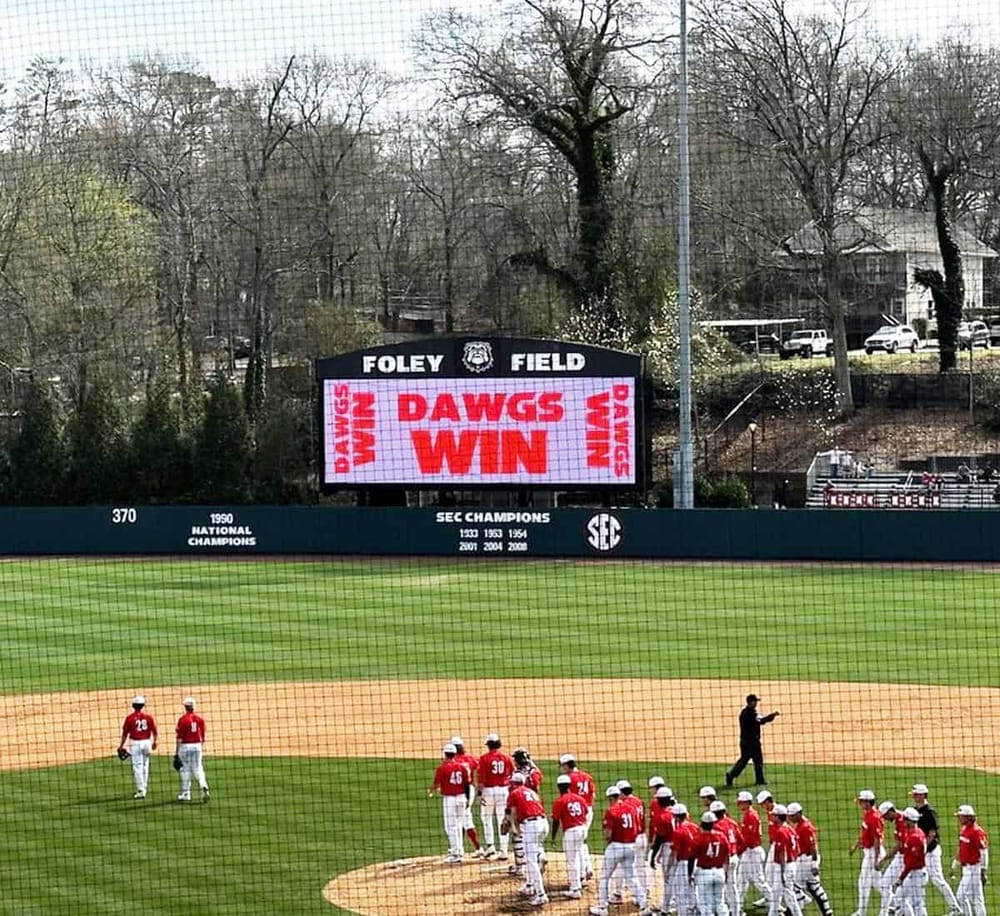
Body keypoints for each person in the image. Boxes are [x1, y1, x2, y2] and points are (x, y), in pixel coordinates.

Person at [589, 785, 653, 916]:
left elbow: (608, 834)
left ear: (611, 797)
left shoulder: (611, 810)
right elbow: (637, 828)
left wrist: (610, 844)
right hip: (630, 846)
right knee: (631, 877)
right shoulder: (632, 809)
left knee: (604, 877)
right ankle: (644, 905)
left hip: (616, 846)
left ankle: (602, 908)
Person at [910, 784, 961, 915]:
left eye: (916, 794)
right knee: (914, 879)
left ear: (923, 795)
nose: (914, 797)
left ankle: (955, 908)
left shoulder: (929, 812)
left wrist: (923, 848)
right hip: (923, 852)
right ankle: (909, 909)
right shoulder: (915, 811)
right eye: (914, 794)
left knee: (937, 879)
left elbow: (932, 834)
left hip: (931, 851)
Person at [505, 771, 549, 906]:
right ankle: (530, 884)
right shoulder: (532, 792)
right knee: (535, 848)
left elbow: (512, 813)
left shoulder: (514, 793)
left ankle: (541, 895)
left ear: (513, 783)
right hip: (544, 824)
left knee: (530, 861)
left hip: (531, 826)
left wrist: (514, 829)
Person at [787, 801, 833, 916]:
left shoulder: (805, 827)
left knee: (794, 887)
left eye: (792, 815)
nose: (790, 818)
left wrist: (814, 864)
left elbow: (813, 846)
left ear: (798, 814)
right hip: (804, 859)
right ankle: (827, 912)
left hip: (806, 861)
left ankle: (794, 911)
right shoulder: (801, 825)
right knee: (814, 887)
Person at [725, 694, 780, 788]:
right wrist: (772, 715)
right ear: (751, 702)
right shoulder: (749, 713)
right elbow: (761, 721)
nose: (756, 703)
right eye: (755, 701)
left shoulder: (747, 712)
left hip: (746, 741)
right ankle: (732, 775)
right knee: (753, 761)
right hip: (751, 742)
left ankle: (758, 779)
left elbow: (760, 721)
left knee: (749, 760)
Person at [550, 774, 588, 900]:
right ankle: (582, 877)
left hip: (571, 832)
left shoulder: (560, 801)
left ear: (558, 787)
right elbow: (586, 813)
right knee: (579, 853)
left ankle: (575, 889)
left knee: (571, 859)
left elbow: (555, 821)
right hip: (583, 828)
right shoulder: (579, 798)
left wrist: (553, 837)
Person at [477, 733, 514, 860]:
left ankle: (491, 847)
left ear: (488, 746)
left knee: (486, 818)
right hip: (503, 791)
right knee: (502, 820)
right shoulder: (506, 758)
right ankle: (504, 851)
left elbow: (481, 780)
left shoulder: (484, 759)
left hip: (488, 791)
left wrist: (479, 794)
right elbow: (512, 774)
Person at [559, 754, 596, 880]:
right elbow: (593, 795)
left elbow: (570, 799)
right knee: (581, 840)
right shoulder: (587, 776)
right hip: (588, 810)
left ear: (566, 765)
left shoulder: (568, 779)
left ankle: (581, 873)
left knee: (576, 843)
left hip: (576, 811)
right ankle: (587, 867)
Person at [688, 811, 732, 916]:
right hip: (719, 872)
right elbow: (727, 855)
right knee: (720, 902)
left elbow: (691, 858)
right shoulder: (721, 836)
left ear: (702, 824)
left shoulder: (698, 839)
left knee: (705, 904)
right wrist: (725, 871)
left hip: (704, 873)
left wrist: (689, 874)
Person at [850, 789, 885, 916]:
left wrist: (876, 859)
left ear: (868, 802)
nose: (859, 804)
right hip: (869, 852)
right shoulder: (868, 814)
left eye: (861, 801)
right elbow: (865, 834)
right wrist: (856, 844)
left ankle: (861, 912)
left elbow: (876, 839)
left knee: (863, 882)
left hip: (873, 852)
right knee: (877, 883)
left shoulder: (874, 817)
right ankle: (895, 901)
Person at [736, 790, 771, 913]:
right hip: (749, 852)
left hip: (752, 852)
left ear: (746, 803)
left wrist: (738, 850)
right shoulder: (748, 814)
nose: (738, 804)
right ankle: (737, 905)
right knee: (741, 879)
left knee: (758, 880)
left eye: (740, 802)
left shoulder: (751, 816)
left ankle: (774, 902)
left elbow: (749, 839)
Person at [118, 694, 157, 799]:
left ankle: (141, 790)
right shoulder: (149, 717)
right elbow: (155, 731)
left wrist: (121, 746)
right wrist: (154, 742)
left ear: (133, 705)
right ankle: (144, 787)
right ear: (143, 705)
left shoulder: (129, 718)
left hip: (136, 744)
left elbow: (125, 734)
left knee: (137, 767)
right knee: (145, 766)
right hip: (147, 743)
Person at [767, 805, 803, 916]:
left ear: (778, 817)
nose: (772, 817)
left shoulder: (780, 832)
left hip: (784, 866)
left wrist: (782, 872)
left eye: (773, 815)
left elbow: (782, 853)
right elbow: (798, 849)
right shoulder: (790, 829)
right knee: (776, 893)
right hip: (791, 864)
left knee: (788, 894)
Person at [952, 804, 988, 916]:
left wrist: (983, 870)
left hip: (973, 869)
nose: (959, 818)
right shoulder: (964, 829)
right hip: (966, 868)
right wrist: (955, 864)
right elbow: (961, 848)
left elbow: (984, 852)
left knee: (960, 896)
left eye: (961, 816)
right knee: (977, 897)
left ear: (968, 817)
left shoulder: (977, 831)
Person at [892, 808, 928, 916]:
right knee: (900, 897)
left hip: (917, 873)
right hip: (914, 873)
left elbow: (911, 862)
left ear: (909, 821)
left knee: (918, 904)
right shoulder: (916, 832)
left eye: (904, 820)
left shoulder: (915, 837)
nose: (903, 821)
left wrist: (901, 878)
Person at [450, 736, 482, 856]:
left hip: (459, 792)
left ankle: (474, 848)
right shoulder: (470, 759)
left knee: (463, 820)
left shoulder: (452, 761)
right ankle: (462, 846)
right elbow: (477, 770)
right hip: (470, 790)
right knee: (463, 818)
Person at [710, 800, 743, 916]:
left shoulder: (716, 826)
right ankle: (736, 912)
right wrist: (736, 854)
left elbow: (719, 847)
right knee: (732, 887)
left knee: (720, 887)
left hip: (724, 860)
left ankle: (721, 911)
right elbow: (741, 841)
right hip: (734, 857)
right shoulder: (732, 823)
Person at [174, 696, 209, 803]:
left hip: (185, 746)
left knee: (185, 769)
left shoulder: (182, 720)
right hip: (197, 745)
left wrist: (176, 753)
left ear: (185, 707)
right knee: (198, 768)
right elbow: (203, 736)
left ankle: (186, 793)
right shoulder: (200, 719)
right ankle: (204, 786)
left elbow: (179, 738)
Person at [876, 801, 905, 916]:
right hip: (901, 856)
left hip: (904, 858)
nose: (885, 819)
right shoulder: (900, 819)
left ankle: (887, 912)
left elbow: (898, 845)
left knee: (890, 886)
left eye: (885, 816)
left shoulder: (902, 821)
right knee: (887, 885)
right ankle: (892, 911)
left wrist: (883, 860)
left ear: (891, 811)